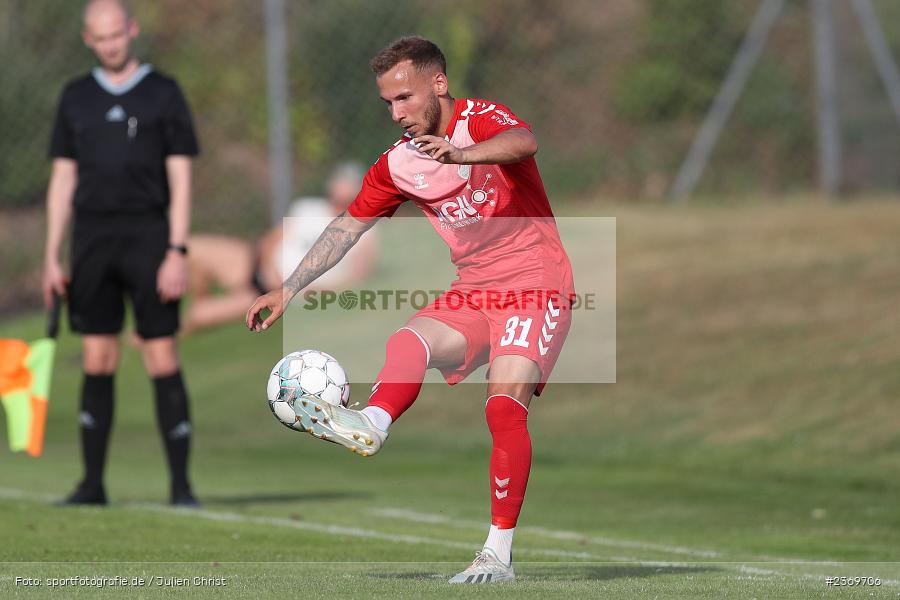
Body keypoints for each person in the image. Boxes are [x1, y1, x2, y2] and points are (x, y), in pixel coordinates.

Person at [246, 36, 574, 584]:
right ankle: (371, 424)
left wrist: (463, 154)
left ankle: (497, 555)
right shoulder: (401, 163)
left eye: (405, 98)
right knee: (409, 341)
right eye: (388, 103)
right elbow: (348, 226)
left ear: (438, 85)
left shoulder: (481, 119)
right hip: (477, 287)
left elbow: (524, 142)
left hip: (536, 280)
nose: (397, 113)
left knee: (502, 408)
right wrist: (289, 287)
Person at [42, 0, 200, 506]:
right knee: (97, 356)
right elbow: (63, 178)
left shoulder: (163, 92)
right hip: (90, 239)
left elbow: (181, 174)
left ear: (131, 30)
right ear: (88, 39)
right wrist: (52, 255)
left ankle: (181, 487)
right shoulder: (75, 97)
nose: (111, 45)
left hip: (149, 236)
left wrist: (176, 249)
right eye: (101, 38)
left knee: (160, 353)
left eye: (118, 35)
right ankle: (92, 484)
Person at [179, 163, 376, 334]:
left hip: (271, 292)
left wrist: (294, 289)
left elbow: (355, 281)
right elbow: (271, 240)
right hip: (253, 262)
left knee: (197, 316)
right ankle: (196, 293)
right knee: (190, 248)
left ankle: (161, 340)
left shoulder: (366, 231)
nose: (341, 189)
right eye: (339, 182)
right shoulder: (308, 207)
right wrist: (266, 267)